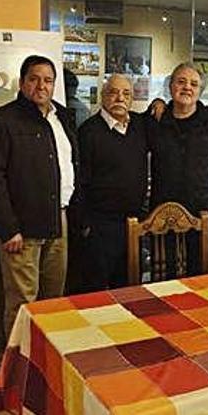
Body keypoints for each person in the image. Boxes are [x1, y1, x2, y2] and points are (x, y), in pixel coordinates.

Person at [0, 55, 77, 336]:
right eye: (33, 79)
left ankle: (46, 365)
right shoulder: (1, 122)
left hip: (59, 219)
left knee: (52, 301)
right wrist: (7, 228)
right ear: (21, 83)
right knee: (23, 304)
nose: (41, 86)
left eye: (48, 80)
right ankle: (17, 374)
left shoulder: (62, 117)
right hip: (21, 228)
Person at [149, 62, 208, 274]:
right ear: (170, 87)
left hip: (204, 209)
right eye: (181, 82)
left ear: (200, 91)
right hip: (164, 210)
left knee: (199, 271)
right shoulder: (155, 120)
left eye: (194, 84)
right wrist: (156, 102)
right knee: (165, 271)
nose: (187, 87)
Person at [75, 74, 149, 290]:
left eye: (126, 93)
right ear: (102, 96)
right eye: (113, 92)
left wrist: (159, 103)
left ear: (132, 99)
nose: (120, 98)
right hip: (100, 225)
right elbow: (80, 182)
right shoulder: (88, 132)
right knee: (96, 290)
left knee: (128, 287)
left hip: (134, 223)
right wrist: (85, 224)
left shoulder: (139, 126)